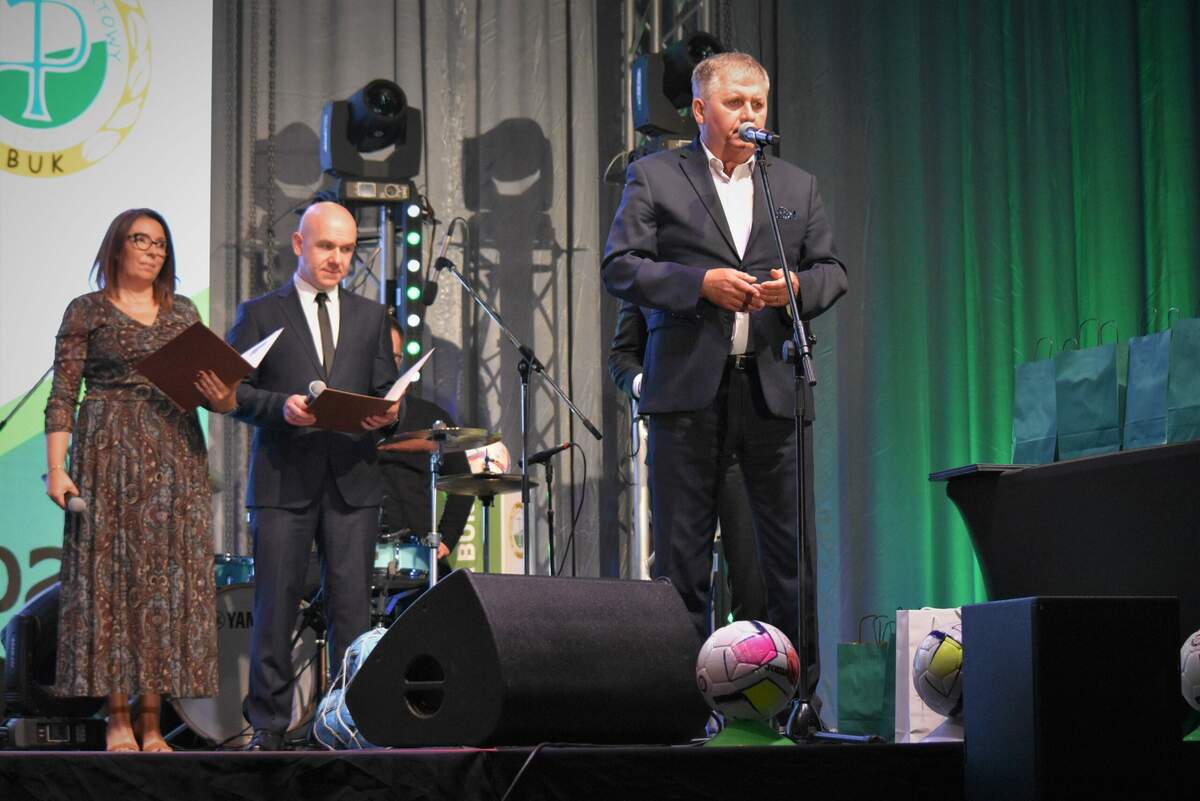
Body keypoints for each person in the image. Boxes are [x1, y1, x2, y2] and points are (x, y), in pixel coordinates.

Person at [601, 52, 847, 712]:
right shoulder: (655, 176)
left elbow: (832, 271)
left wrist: (797, 286)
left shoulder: (794, 185)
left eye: (757, 103)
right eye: (734, 102)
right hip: (688, 396)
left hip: (772, 393)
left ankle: (797, 706)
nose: (748, 113)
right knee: (681, 562)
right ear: (700, 109)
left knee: (787, 561)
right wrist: (698, 284)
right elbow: (620, 266)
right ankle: (680, 711)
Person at [44, 208, 236, 752]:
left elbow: (220, 399)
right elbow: (63, 395)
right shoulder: (87, 310)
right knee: (112, 584)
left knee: (165, 586)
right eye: (142, 241)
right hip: (108, 456)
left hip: (176, 457)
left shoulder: (183, 311)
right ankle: (117, 718)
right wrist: (57, 468)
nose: (153, 251)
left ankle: (153, 722)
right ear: (117, 247)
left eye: (161, 244)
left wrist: (223, 396)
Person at [226, 201, 399, 751]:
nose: (337, 259)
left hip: (352, 479)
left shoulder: (371, 316)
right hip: (283, 479)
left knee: (352, 610)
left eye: (346, 249)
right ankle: (269, 726)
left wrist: (388, 413)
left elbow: (383, 390)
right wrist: (280, 408)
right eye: (326, 246)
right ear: (299, 245)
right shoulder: (260, 313)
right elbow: (232, 391)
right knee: (274, 606)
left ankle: (347, 722)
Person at [608, 298, 766, 625]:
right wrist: (643, 383)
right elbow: (622, 356)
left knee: (755, 579)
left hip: (747, 427)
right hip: (679, 433)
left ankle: (755, 655)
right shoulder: (650, 276)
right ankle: (684, 657)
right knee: (680, 581)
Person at [377, 317, 474, 578]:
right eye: (379, 356)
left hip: (418, 557)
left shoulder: (430, 417)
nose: (386, 364)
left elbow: (463, 483)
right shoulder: (344, 416)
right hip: (355, 554)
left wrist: (447, 538)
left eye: (394, 356)